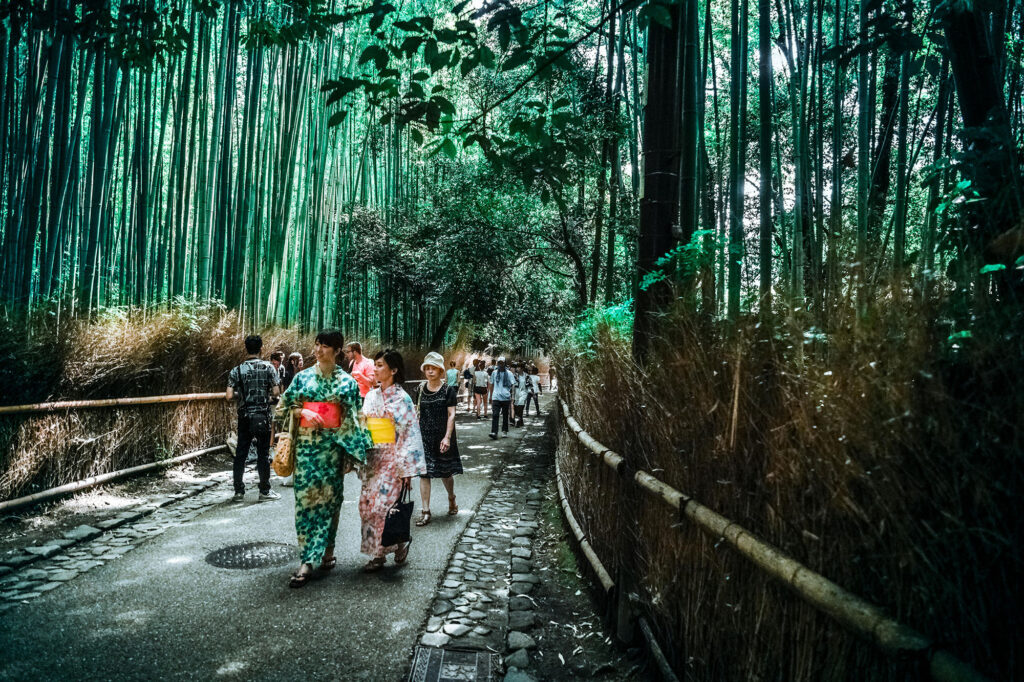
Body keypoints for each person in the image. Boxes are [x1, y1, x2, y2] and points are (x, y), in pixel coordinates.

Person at [279, 330, 371, 588]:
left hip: (333, 451)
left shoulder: (348, 383)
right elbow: (283, 407)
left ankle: (328, 549)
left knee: (331, 502)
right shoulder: (302, 378)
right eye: (317, 345)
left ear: (338, 350)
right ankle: (307, 560)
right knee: (305, 504)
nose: (318, 350)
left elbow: (356, 418)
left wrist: (352, 455)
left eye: (325, 346)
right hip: (307, 451)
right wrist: (303, 412)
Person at [359, 349, 426, 571]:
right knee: (367, 506)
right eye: (375, 364)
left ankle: (380, 555)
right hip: (373, 458)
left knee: (384, 507)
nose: (375, 368)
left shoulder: (402, 398)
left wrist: (407, 470)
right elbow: (363, 427)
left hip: (393, 458)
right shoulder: (370, 395)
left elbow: (409, 434)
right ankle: (394, 545)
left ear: (393, 370)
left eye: (380, 365)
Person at [226, 335, 282, 502]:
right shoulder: (269, 368)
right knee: (263, 454)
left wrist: (242, 394)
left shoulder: (237, 370)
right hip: (263, 416)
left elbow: (229, 396)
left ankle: (238, 492)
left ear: (246, 349)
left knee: (241, 454)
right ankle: (264, 491)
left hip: (244, 416)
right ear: (261, 348)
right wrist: (265, 396)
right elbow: (277, 392)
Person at [414, 352, 462, 527]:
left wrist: (447, 437)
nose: (430, 371)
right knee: (424, 474)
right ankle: (425, 511)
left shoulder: (448, 390)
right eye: (427, 368)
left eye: (433, 368)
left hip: (443, 436)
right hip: (424, 437)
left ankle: (451, 497)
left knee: (445, 472)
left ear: (440, 370)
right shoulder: (419, 389)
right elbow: (416, 412)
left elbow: (451, 415)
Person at [489, 357, 514, 439]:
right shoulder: (494, 373)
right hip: (496, 397)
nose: (500, 364)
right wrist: (490, 396)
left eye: (502, 363)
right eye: (499, 363)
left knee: (505, 415)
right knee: (495, 414)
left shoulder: (509, 373)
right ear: (497, 363)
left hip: (506, 397)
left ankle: (504, 431)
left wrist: (512, 396)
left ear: (505, 363)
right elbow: (491, 384)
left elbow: (513, 384)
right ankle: (494, 432)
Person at [513, 363, 529, 427]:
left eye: (518, 367)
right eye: (517, 367)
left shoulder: (526, 376)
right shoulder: (515, 376)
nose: (517, 369)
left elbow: (529, 385)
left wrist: (533, 393)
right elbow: (513, 384)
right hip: (516, 392)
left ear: (522, 368)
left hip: (524, 392)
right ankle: (521, 420)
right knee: (516, 406)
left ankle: (519, 421)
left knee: (520, 405)